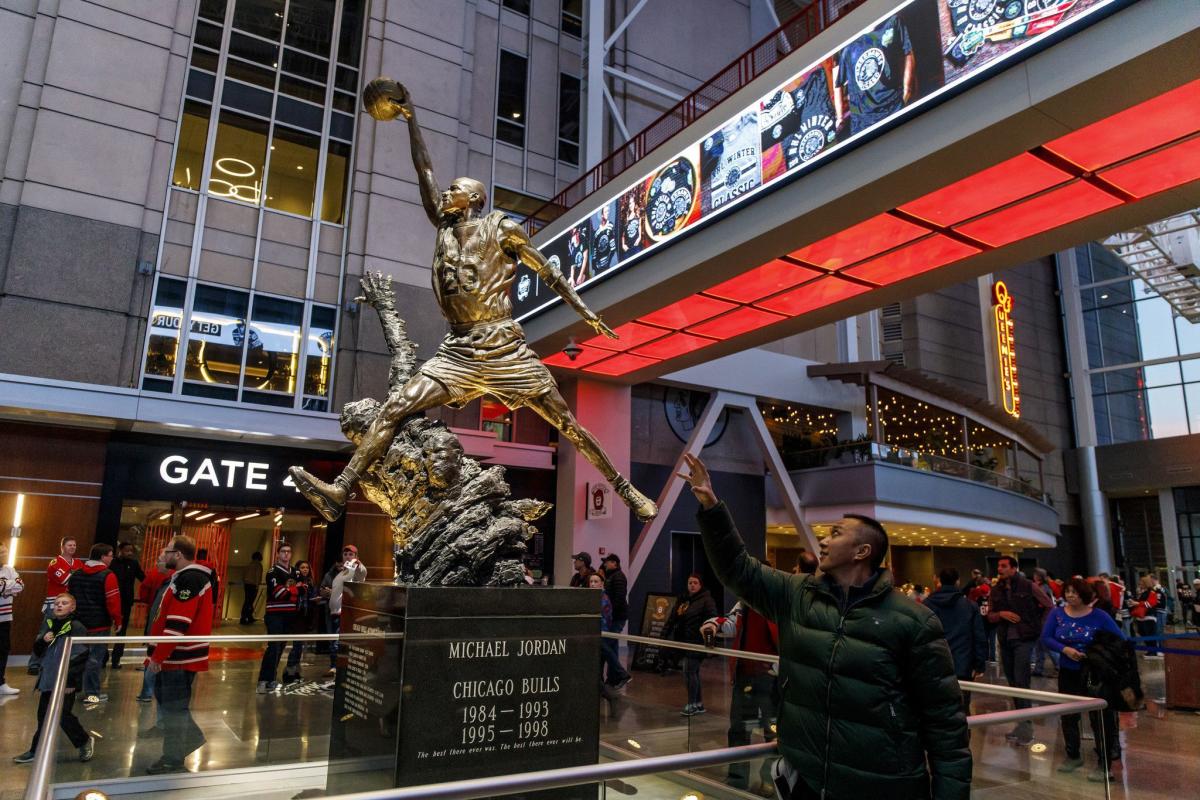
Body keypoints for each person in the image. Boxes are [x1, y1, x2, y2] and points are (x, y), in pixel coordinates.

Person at [287, 80, 658, 526]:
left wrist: (587, 314)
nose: (445, 194)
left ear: (475, 199)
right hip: (458, 351)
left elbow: (550, 272)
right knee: (394, 408)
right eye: (447, 191)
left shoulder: (502, 228)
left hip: (504, 347)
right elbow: (423, 171)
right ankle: (340, 489)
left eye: (455, 190)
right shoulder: (444, 229)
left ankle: (626, 489)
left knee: (569, 426)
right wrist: (412, 119)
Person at [679, 453, 971, 799]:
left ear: (862, 551)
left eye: (835, 533)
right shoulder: (798, 596)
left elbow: (946, 728)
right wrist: (712, 508)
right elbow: (738, 569)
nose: (823, 540)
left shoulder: (914, 621)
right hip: (808, 780)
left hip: (882, 786)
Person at [1040, 578, 1124, 782]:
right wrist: (1065, 649)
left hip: (1095, 673)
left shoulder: (1100, 616)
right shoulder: (1057, 614)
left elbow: (1119, 639)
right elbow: (1046, 637)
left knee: (1100, 718)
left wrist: (1094, 652)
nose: (1070, 595)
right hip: (1069, 671)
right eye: (1067, 591)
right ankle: (1073, 754)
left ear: (1084, 595)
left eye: (1075, 592)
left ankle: (1104, 762)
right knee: (1069, 715)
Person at [145, 534, 214, 775]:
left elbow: (177, 623)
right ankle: (187, 741)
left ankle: (172, 758)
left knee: (174, 708)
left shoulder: (190, 579)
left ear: (179, 555)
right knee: (171, 704)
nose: (163, 556)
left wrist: (158, 656)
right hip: (175, 656)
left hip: (178, 657)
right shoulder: (182, 579)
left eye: (167, 551)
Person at [701, 597, 780, 794]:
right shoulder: (745, 602)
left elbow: (791, 636)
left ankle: (771, 780)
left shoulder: (776, 600)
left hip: (770, 679)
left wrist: (776, 668)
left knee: (774, 732)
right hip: (744, 676)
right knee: (738, 729)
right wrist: (711, 624)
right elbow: (730, 624)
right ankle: (738, 779)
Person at [12, 593, 93, 764]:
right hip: (49, 679)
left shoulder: (76, 627)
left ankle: (84, 741)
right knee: (43, 716)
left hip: (65, 681)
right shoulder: (49, 624)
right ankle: (36, 750)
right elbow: (38, 650)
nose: (59, 606)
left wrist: (71, 681)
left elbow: (81, 656)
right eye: (57, 603)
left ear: (72, 607)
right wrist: (43, 641)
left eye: (64, 603)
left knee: (62, 715)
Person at [987, 555, 1051, 745]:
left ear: (1013, 568)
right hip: (1006, 639)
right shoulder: (995, 590)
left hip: (1024, 638)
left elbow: (1048, 605)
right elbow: (990, 615)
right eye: (999, 566)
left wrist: (1039, 627)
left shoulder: (1028, 586)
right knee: (1013, 681)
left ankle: (1026, 725)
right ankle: (1022, 723)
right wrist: (1001, 614)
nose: (1000, 569)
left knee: (1021, 680)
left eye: (1004, 566)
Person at [925, 567, 987, 714]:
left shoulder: (926, 605)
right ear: (958, 581)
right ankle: (964, 735)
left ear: (939, 581)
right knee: (962, 707)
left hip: (934, 664)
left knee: (936, 707)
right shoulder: (969, 606)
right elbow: (979, 636)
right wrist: (979, 664)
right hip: (963, 664)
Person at [72, 543, 122, 704]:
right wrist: (118, 620)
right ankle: (92, 694)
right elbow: (113, 602)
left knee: (77, 658)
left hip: (78, 623)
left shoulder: (77, 574)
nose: (112, 558)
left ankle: (71, 690)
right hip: (99, 624)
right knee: (94, 660)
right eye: (110, 555)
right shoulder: (108, 575)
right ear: (102, 557)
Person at [661, 572, 717, 716]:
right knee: (692, 672)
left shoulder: (707, 600)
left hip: (697, 643)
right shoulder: (683, 600)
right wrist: (664, 634)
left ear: (700, 585)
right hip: (684, 642)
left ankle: (692, 703)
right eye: (690, 582)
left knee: (689, 671)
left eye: (695, 583)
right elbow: (673, 618)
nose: (692, 585)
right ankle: (698, 703)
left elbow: (712, 621)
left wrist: (709, 644)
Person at [29, 536, 79, 675]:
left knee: (64, 632)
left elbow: (77, 579)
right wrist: (75, 575)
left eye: (74, 545)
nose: (72, 547)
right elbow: (66, 580)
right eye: (69, 545)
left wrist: (74, 575)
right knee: (46, 631)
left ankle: (54, 662)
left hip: (71, 603)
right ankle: (34, 663)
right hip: (54, 602)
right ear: (62, 547)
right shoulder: (55, 563)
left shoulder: (77, 563)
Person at [258, 543, 299, 693]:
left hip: (290, 614)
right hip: (274, 614)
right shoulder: (272, 572)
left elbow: (304, 589)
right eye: (283, 552)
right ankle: (263, 679)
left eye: (288, 551)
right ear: (278, 554)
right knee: (273, 647)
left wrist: (290, 590)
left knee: (281, 646)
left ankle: (272, 679)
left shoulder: (295, 571)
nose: (286, 554)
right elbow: (278, 593)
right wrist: (294, 590)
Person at [136, 548, 174, 705]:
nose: (156, 563)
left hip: (159, 631)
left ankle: (147, 692)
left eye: (159, 560)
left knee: (153, 660)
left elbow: (145, 592)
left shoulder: (169, 582)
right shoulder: (167, 580)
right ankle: (148, 692)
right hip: (158, 629)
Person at [325, 545, 367, 677]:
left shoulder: (354, 570)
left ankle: (340, 671)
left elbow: (362, 573)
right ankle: (335, 668)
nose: (348, 557)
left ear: (356, 557)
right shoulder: (342, 572)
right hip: (334, 612)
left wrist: (356, 563)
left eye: (351, 555)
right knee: (334, 642)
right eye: (345, 554)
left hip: (344, 613)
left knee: (339, 643)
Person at [109, 541, 145, 669]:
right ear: (120, 550)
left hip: (125, 602)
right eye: (127, 550)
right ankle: (102, 658)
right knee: (106, 629)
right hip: (110, 601)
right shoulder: (112, 563)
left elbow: (143, 578)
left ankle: (116, 659)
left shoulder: (134, 564)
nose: (129, 553)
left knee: (122, 631)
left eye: (131, 550)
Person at [600, 553, 631, 690]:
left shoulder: (618, 577)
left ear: (615, 563)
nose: (605, 564)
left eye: (607, 562)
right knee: (612, 647)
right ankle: (612, 679)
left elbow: (618, 598)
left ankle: (622, 674)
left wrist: (610, 615)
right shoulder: (613, 576)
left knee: (604, 646)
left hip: (616, 618)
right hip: (614, 617)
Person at [0, 543, 24, 696]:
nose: (4, 554)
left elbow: (20, 585)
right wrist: (8, 586)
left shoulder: (9, 569)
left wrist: (4, 585)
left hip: (5, 617)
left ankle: (0, 683)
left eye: (5, 551)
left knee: (3, 649)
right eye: (2, 552)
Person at [1031, 568, 1059, 677]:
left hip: (1044, 620)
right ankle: (1039, 668)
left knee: (1047, 645)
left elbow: (1048, 606)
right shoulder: (1044, 587)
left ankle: (1059, 667)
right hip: (1041, 620)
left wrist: (1044, 621)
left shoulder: (1042, 588)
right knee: (1040, 645)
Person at [1132, 574, 1167, 657]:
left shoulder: (1151, 592)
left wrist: (1138, 603)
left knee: (1150, 633)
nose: (1140, 585)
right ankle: (1150, 650)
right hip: (1142, 616)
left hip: (1149, 615)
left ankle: (1153, 651)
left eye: (1141, 584)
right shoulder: (1143, 592)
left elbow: (1151, 603)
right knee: (1143, 632)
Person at [241, 551, 263, 625]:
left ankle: (245, 617)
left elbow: (243, 575)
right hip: (253, 585)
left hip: (247, 584)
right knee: (250, 602)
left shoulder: (248, 564)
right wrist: (257, 585)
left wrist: (244, 582)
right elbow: (257, 575)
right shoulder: (258, 565)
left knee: (247, 601)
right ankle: (247, 618)